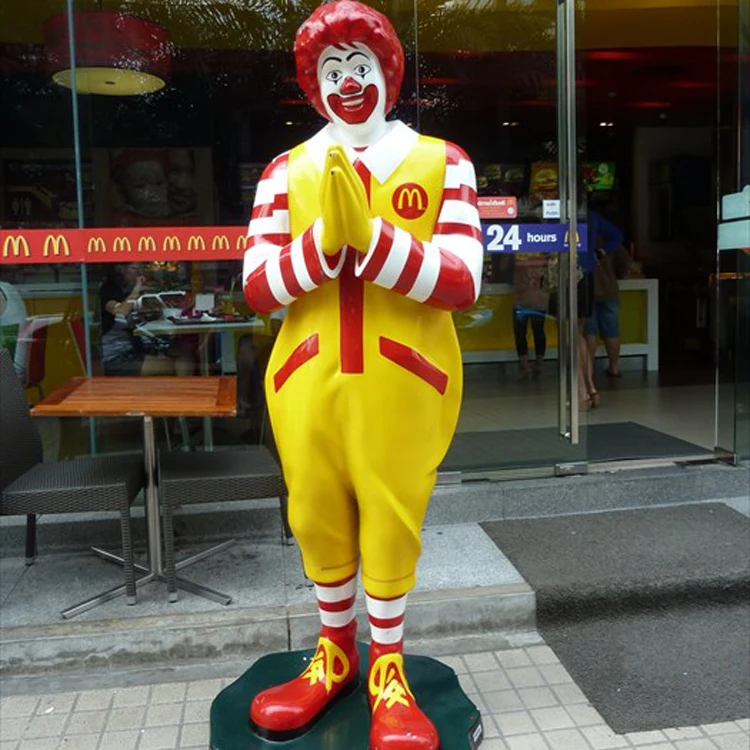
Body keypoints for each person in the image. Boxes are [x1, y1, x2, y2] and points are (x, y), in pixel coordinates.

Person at [242, 2, 482, 746]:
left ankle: (388, 672)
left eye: (361, 65)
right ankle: (333, 655)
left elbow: (464, 279)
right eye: (331, 70)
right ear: (314, 86)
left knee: (391, 517)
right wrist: (323, 245)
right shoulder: (285, 172)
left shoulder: (445, 163)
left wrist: (371, 241)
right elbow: (256, 285)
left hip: (402, 383)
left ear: (390, 72)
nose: (348, 82)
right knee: (314, 513)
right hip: (306, 381)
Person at [99, 264, 193, 376]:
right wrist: (137, 288)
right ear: (122, 269)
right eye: (135, 268)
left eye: (141, 268)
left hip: (138, 347)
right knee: (170, 364)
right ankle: (179, 391)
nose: (139, 273)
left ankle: (182, 391)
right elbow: (121, 311)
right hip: (117, 357)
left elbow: (132, 317)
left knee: (184, 353)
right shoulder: (108, 291)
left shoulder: (126, 289)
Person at [585, 242, 631, 378]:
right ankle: (614, 367)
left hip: (588, 292)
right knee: (612, 332)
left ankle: (588, 369)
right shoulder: (611, 240)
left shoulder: (582, 238)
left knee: (589, 332)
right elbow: (625, 262)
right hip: (609, 290)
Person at [511, 253, 549, 379]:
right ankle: (539, 363)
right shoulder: (544, 252)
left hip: (520, 298)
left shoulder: (517, 252)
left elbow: (507, 267)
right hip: (539, 297)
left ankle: (525, 365)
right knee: (538, 331)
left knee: (520, 333)